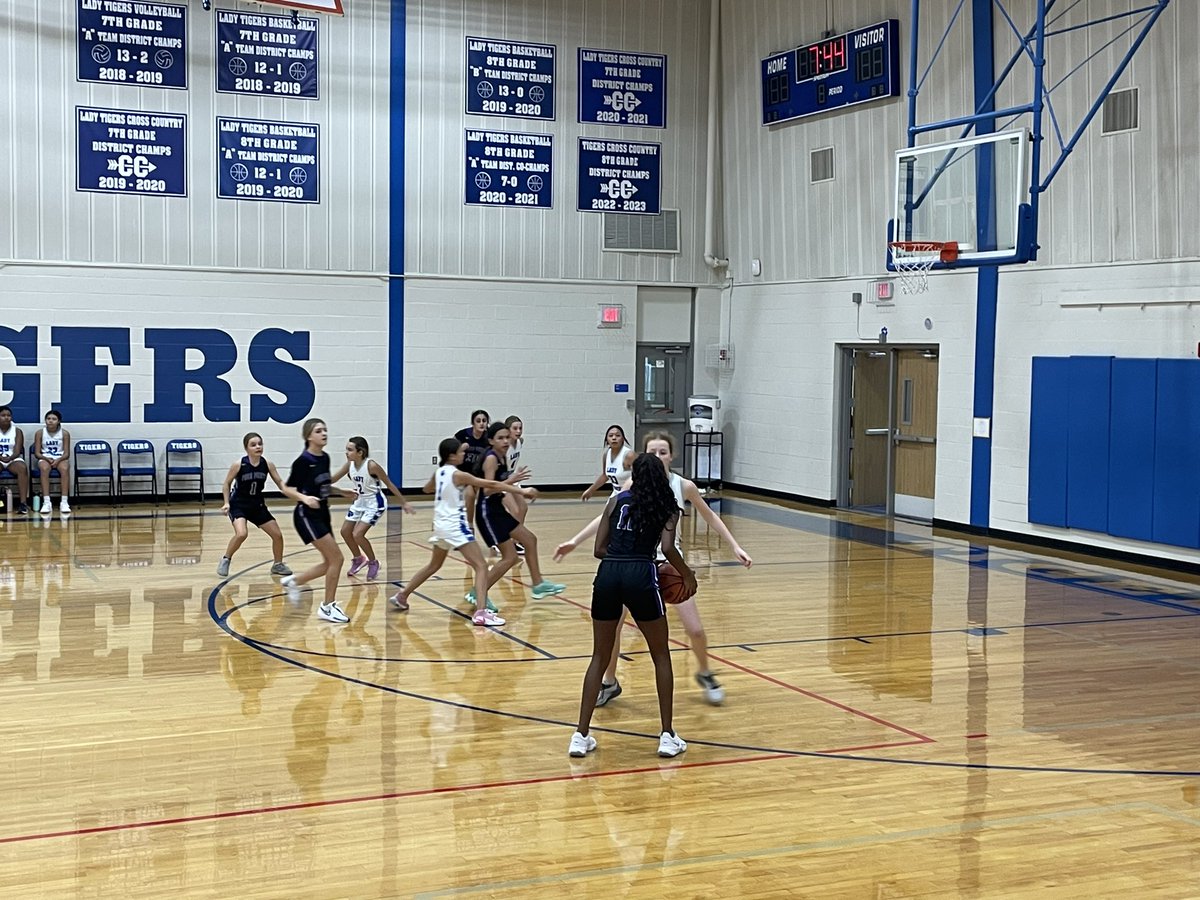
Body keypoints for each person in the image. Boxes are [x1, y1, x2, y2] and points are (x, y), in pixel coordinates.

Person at [556, 431, 753, 705]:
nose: (658, 456)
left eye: (663, 451)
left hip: (670, 565)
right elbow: (606, 516)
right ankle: (610, 681)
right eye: (653, 452)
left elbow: (710, 516)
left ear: (672, 455)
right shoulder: (632, 484)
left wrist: (735, 546)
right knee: (613, 627)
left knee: (694, 629)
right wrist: (575, 541)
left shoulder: (683, 486)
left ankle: (706, 672)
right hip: (637, 563)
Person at [569, 452, 696, 759]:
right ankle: (667, 735)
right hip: (642, 574)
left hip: (609, 574)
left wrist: (620, 555)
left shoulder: (615, 502)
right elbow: (667, 548)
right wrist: (686, 574)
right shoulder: (668, 507)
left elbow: (599, 549)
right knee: (661, 655)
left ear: (635, 476)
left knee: (599, 656)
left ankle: (580, 735)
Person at [389, 437, 536, 627]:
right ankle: (481, 613)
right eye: (460, 452)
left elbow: (427, 489)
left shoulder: (439, 472)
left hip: (440, 526)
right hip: (455, 527)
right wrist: (522, 492)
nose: (464, 455)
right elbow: (491, 485)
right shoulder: (459, 475)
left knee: (434, 565)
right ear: (451, 456)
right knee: (481, 566)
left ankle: (402, 595)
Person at [473, 422, 565, 603]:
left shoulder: (501, 456)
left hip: (497, 510)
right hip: (488, 513)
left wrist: (513, 484)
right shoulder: (491, 458)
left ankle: (538, 584)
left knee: (530, 540)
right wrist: (517, 486)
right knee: (510, 558)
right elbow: (488, 489)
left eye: (507, 437)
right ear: (491, 440)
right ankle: (478, 592)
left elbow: (499, 486)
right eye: (500, 438)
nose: (506, 441)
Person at [279, 418, 356, 624]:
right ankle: (327, 606)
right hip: (306, 515)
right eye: (319, 430)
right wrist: (304, 498)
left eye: (325, 430)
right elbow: (286, 488)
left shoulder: (325, 458)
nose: (324, 433)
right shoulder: (303, 461)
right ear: (308, 436)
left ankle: (295, 581)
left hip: (322, 512)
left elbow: (323, 486)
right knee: (337, 559)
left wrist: (341, 491)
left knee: (329, 562)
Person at [332, 435, 412, 581]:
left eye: (350, 450)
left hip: (375, 503)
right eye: (346, 449)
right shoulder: (348, 465)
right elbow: (331, 480)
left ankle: (373, 562)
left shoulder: (371, 465)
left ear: (360, 452)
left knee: (358, 534)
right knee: (345, 532)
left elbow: (389, 483)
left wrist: (403, 502)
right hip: (359, 501)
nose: (346, 453)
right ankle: (358, 559)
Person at [217, 432, 294, 578]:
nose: (258, 447)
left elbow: (280, 483)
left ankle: (278, 564)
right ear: (247, 448)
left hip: (257, 505)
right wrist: (226, 503)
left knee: (277, 535)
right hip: (238, 504)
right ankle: (226, 559)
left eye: (260, 444)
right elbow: (226, 484)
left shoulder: (267, 464)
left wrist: (296, 494)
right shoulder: (239, 464)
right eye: (253, 445)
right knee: (241, 534)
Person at [455, 409, 491, 529]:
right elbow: (450, 452)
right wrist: (459, 448)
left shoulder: (489, 438)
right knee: (470, 495)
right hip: (463, 475)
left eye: (484, 421)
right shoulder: (462, 435)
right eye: (478, 421)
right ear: (473, 423)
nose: (481, 423)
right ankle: (469, 526)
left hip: (480, 476)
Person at [580, 425, 634, 501]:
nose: (614, 438)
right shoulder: (606, 454)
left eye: (618, 435)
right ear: (607, 440)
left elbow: (641, 476)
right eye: (611, 436)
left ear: (623, 439)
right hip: (616, 493)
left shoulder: (629, 455)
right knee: (606, 513)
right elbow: (605, 476)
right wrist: (591, 490)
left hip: (630, 495)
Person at [33, 410, 71, 518]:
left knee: (64, 468)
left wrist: (58, 460)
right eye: (48, 419)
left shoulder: (64, 433)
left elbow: (67, 453)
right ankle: (46, 502)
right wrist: (47, 459)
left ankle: (64, 502)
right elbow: (37, 453)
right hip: (45, 457)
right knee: (44, 468)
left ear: (58, 421)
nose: (50, 421)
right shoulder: (40, 433)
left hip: (60, 457)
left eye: (53, 419)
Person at [0, 406, 30, 514]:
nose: (6, 418)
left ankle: (23, 503)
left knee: (22, 468)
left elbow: (17, 450)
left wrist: (10, 458)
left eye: (8, 415)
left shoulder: (17, 431)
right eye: (3, 415)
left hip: (13, 458)